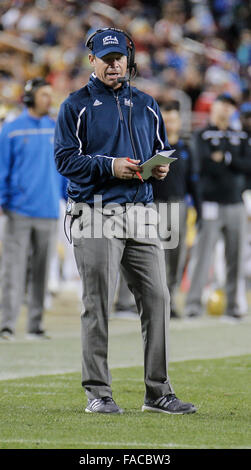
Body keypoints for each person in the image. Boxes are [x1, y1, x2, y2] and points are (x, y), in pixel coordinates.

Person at [54, 27, 197, 415]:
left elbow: (157, 152)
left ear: (129, 59)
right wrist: (110, 166)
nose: (115, 64)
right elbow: (65, 161)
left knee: (157, 299)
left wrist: (158, 170)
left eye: (120, 57)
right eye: (107, 58)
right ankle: (98, 392)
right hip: (95, 211)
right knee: (97, 302)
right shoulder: (75, 105)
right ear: (92, 61)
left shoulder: (148, 104)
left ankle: (158, 392)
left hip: (142, 212)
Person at [0, 78, 67, 341]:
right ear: (29, 98)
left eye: (51, 94)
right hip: (19, 211)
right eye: (43, 95)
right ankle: (6, 324)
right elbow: (2, 169)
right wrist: (5, 201)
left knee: (42, 271)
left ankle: (35, 325)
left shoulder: (56, 129)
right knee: (13, 270)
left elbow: (65, 171)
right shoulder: (11, 130)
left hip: (49, 210)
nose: (49, 100)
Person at [184, 93, 251, 320]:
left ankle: (233, 307)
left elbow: (248, 165)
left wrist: (226, 159)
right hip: (210, 203)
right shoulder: (201, 134)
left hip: (235, 203)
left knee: (236, 257)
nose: (226, 109)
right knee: (203, 257)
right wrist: (234, 163)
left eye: (230, 105)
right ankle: (193, 306)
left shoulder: (240, 135)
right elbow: (202, 164)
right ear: (214, 107)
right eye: (223, 104)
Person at [152, 100, 201, 319]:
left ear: (180, 121)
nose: (170, 124)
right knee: (154, 255)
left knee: (176, 256)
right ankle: (152, 301)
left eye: (173, 119)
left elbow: (193, 182)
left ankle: (169, 300)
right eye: (166, 119)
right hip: (155, 205)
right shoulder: (152, 146)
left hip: (178, 206)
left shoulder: (186, 148)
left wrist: (198, 209)